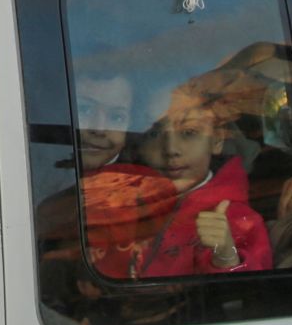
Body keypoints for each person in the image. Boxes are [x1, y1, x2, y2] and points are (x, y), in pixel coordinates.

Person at [92, 86, 271, 279]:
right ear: (138, 144)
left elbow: (251, 294)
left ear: (217, 140)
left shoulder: (238, 219)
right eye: (153, 134)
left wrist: (227, 257)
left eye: (189, 132)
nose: (171, 149)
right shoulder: (114, 201)